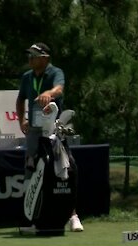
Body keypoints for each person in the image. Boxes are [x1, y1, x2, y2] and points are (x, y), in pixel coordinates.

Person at [16, 42, 84, 232]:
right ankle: (31, 217)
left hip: (56, 128)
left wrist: (49, 93)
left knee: (63, 170)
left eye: (34, 56)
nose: (30, 59)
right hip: (34, 131)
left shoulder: (55, 72)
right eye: (29, 56)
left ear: (45, 58)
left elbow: (59, 89)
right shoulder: (27, 77)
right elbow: (20, 99)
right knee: (31, 171)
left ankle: (72, 215)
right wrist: (22, 120)